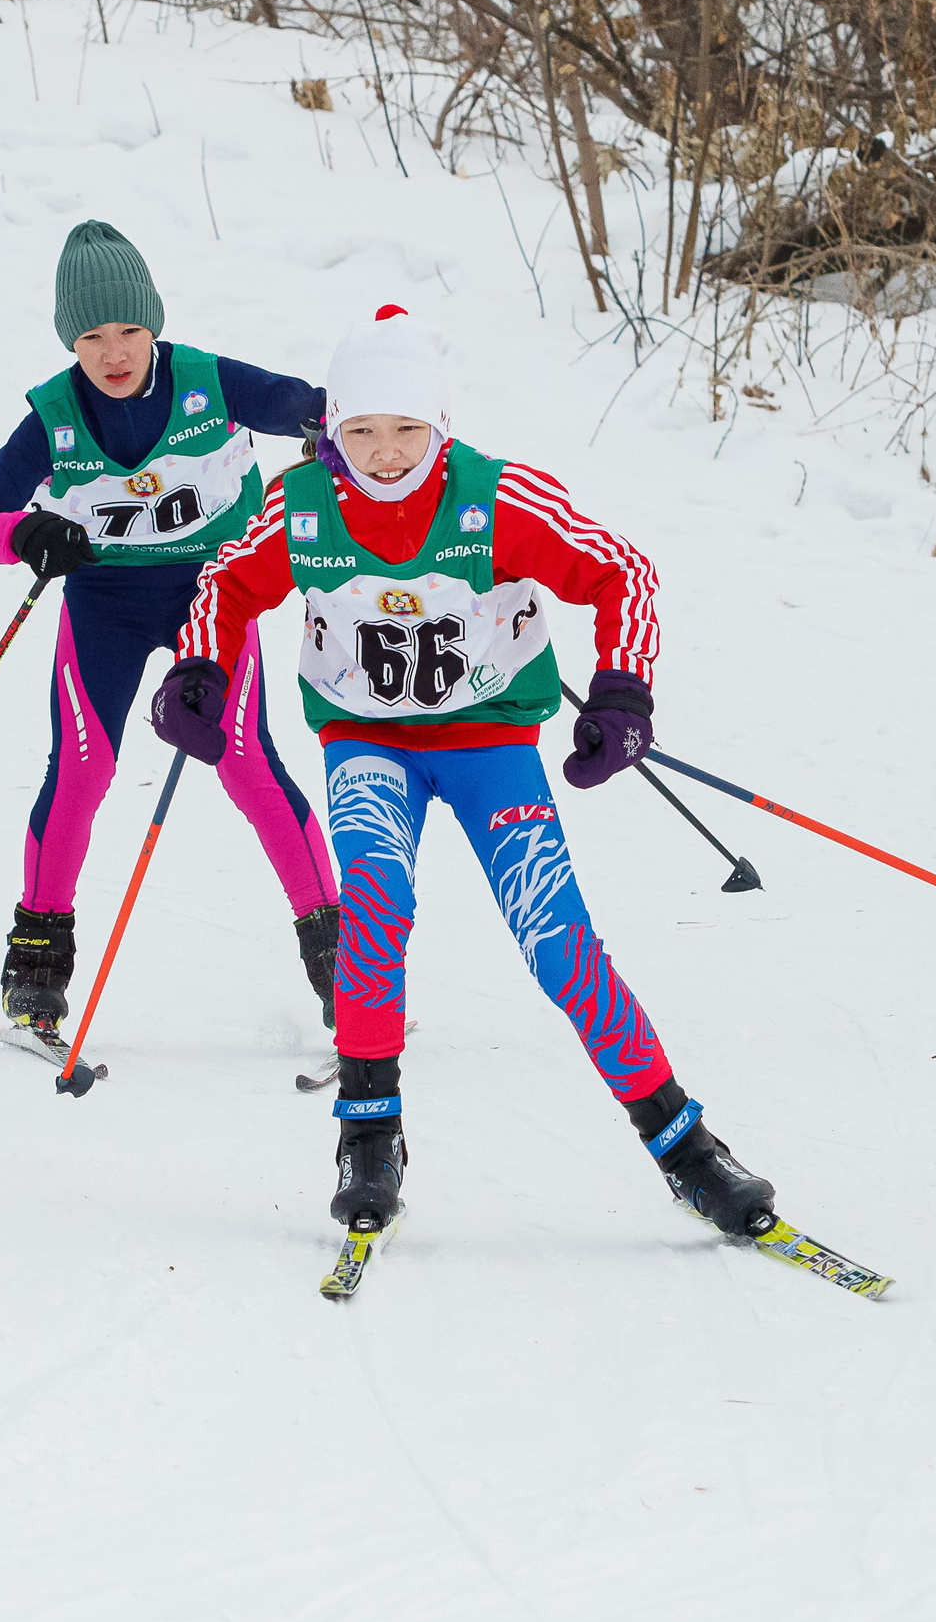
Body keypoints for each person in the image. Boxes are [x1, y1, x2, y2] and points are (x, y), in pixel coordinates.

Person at [147, 304, 782, 1241]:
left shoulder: (498, 500)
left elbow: (622, 571)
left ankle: (685, 1147)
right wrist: (198, 670)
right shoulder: (303, 503)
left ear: (440, 425)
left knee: (558, 940)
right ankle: (369, 1133)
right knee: (369, 912)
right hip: (366, 741)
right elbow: (226, 584)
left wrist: (621, 695)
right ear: (331, 427)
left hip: (489, 744)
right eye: (361, 429)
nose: (387, 451)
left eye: (408, 428)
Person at [0, 221, 341, 1032]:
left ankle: (344, 966)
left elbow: (319, 412)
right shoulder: (53, 417)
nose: (114, 352)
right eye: (92, 336)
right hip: (105, 603)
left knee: (245, 764)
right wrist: (21, 534)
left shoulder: (211, 381)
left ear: (153, 325)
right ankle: (38, 961)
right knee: (83, 768)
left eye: (129, 329)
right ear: (71, 342)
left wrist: (354, 438)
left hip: (210, 598)